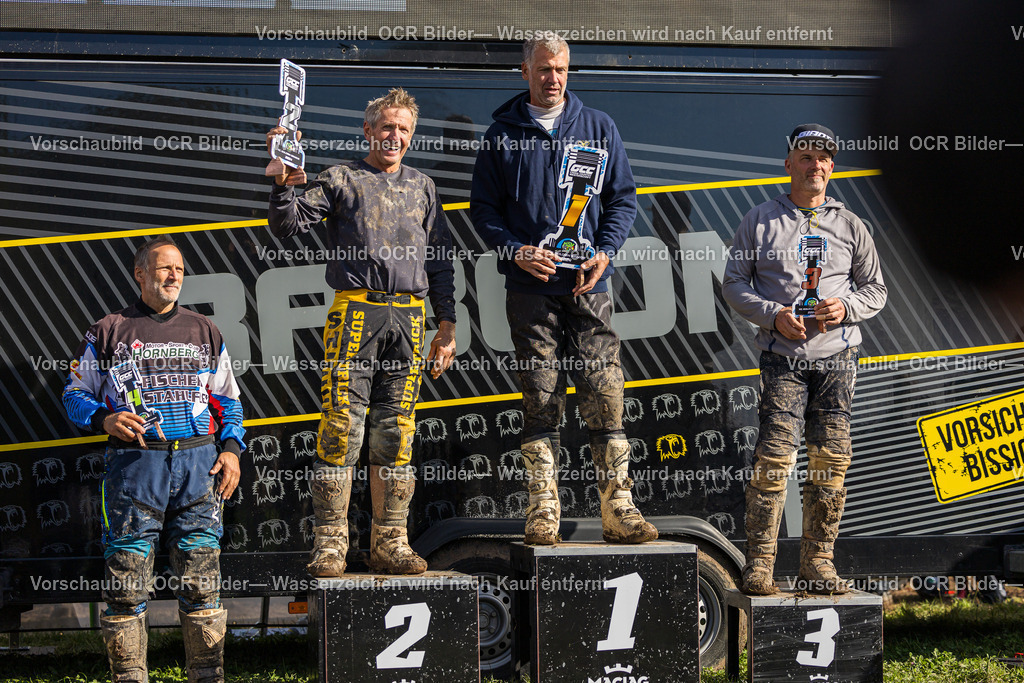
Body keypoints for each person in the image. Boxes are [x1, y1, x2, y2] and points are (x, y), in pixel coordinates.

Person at [470, 34, 657, 546]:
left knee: (605, 390)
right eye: (544, 69)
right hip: (529, 288)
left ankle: (619, 510)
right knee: (540, 394)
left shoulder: (599, 127)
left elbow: (622, 199)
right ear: (525, 71)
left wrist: (606, 250)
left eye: (562, 70)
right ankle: (542, 511)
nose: (554, 78)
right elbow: (482, 211)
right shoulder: (501, 134)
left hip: (587, 284)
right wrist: (515, 250)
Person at [266, 88, 457, 577]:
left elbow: (439, 260)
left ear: (412, 136)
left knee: (396, 433)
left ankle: (390, 541)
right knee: (341, 426)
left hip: (411, 318)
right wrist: (283, 184)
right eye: (387, 127)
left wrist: (447, 323)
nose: (395, 136)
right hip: (356, 311)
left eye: (404, 129)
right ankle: (331, 545)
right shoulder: (341, 178)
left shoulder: (424, 187)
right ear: (368, 130)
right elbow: (287, 225)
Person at [62, 236, 245, 683]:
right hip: (134, 469)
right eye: (164, 269)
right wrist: (104, 420)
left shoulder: (205, 330)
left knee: (202, 583)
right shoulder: (108, 329)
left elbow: (229, 401)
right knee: (126, 585)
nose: (173, 276)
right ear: (140, 274)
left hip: (199, 467)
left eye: (179, 269)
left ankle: (206, 676)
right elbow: (73, 394)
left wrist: (232, 449)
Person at [722, 124, 887, 594]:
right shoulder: (759, 219)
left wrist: (846, 307)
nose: (815, 166)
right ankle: (760, 566)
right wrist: (773, 316)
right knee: (774, 459)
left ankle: (818, 562)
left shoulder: (852, 224)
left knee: (830, 462)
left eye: (824, 159)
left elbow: (876, 289)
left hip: (837, 359)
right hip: (783, 359)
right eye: (806, 157)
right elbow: (733, 284)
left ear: (832, 168)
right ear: (789, 163)